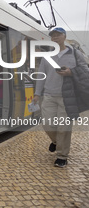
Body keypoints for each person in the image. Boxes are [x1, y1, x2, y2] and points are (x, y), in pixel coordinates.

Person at [32, 27, 88, 168]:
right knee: (47, 123)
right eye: (53, 36)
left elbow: (85, 71)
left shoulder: (74, 54)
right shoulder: (47, 56)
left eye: (58, 35)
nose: (55, 38)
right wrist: (37, 94)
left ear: (64, 36)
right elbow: (41, 76)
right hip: (49, 96)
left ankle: (62, 156)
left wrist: (71, 72)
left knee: (64, 127)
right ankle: (56, 142)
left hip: (66, 97)